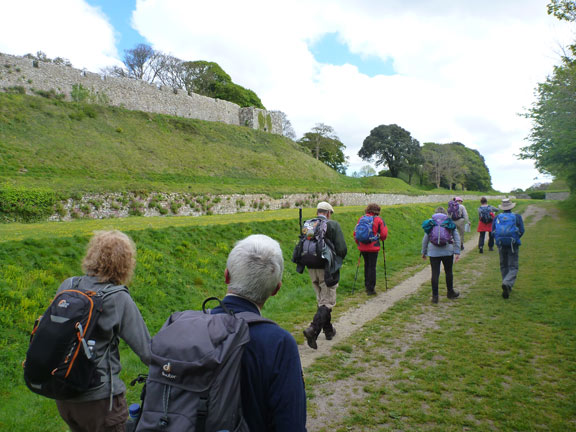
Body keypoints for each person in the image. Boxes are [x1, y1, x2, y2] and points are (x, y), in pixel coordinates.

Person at [55, 230, 151, 432]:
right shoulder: (117, 298)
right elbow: (147, 352)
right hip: (100, 400)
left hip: (64, 395)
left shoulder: (69, 285)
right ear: (125, 264)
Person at [211, 234, 307, 431]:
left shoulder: (181, 326)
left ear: (226, 275)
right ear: (276, 289)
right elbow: (291, 425)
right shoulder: (278, 343)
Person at [302, 201, 347, 350]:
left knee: (322, 300)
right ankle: (313, 329)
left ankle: (328, 331)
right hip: (326, 268)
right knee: (327, 303)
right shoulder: (333, 225)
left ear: (317, 212)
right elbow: (342, 248)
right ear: (328, 213)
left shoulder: (309, 225)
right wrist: (338, 259)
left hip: (310, 267)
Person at [421, 207, 461, 303]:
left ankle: (435, 297)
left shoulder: (431, 223)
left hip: (433, 252)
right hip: (447, 251)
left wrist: (424, 252)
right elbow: (457, 237)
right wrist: (457, 251)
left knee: (435, 273)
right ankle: (450, 292)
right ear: (445, 214)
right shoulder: (449, 222)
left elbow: (425, 239)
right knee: (448, 272)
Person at [492, 198, 525, 299]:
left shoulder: (497, 217)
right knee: (513, 266)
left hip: (501, 244)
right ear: (511, 207)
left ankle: (506, 283)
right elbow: (522, 230)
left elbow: (493, 230)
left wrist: (498, 240)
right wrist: (515, 238)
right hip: (513, 244)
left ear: (502, 208)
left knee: (503, 265)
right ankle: (507, 283)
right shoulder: (517, 216)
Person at [353, 203, 388, 296]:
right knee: (372, 267)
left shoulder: (361, 219)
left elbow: (356, 233)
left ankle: (366, 285)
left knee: (366, 265)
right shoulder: (378, 220)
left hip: (362, 246)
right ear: (377, 211)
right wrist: (381, 239)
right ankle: (370, 289)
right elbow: (384, 234)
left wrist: (359, 243)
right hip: (373, 247)